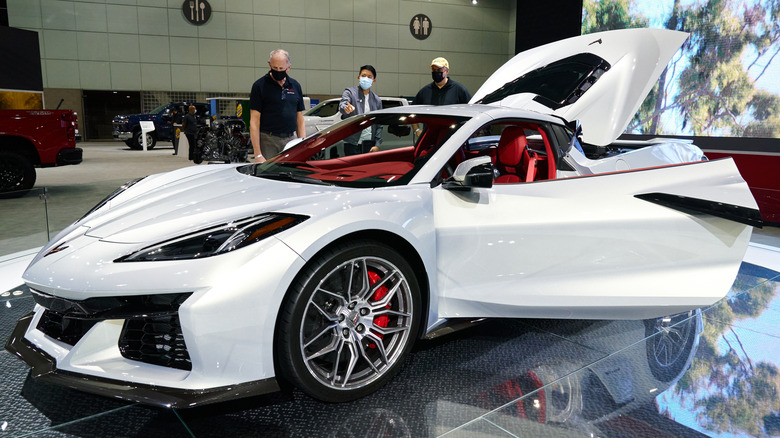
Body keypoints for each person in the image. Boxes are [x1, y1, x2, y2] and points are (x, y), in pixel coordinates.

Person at [249, 49, 306, 163]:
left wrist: (301, 145)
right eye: (275, 68)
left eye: (281, 69)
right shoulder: (259, 86)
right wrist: (257, 154)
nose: (278, 71)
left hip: (290, 140)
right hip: (268, 140)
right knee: (268, 175)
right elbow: (254, 121)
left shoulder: (295, 86)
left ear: (288, 67)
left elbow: (299, 118)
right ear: (269, 65)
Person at [339, 65, 382, 155]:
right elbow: (343, 104)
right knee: (351, 169)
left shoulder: (377, 100)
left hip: (369, 144)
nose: (366, 78)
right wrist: (345, 108)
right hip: (352, 142)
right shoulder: (350, 92)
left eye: (369, 77)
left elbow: (379, 124)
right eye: (363, 75)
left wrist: (377, 144)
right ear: (359, 77)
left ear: (373, 81)